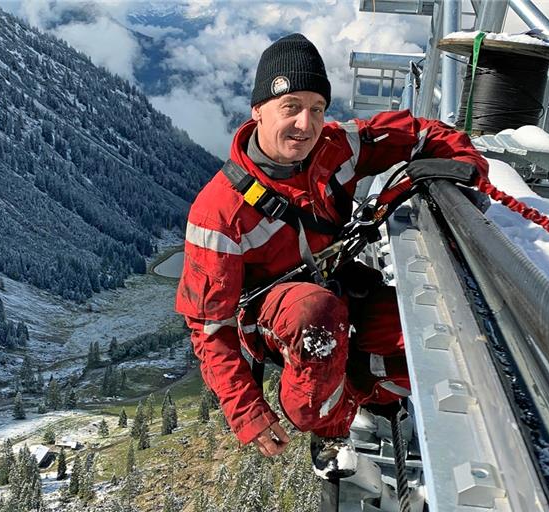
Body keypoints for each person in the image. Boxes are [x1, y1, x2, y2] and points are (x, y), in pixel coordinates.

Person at [176, 33, 488, 479]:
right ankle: (324, 420)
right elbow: (210, 327)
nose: (306, 124)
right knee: (313, 312)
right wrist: (246, 412)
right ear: (258, 111)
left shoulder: (335, 147)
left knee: (421, 334)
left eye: (317, 109)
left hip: (337, 287)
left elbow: (416, 133)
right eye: (291, 107)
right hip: (283, 319)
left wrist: (466, 161)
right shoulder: (218, 213)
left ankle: (364, 387)